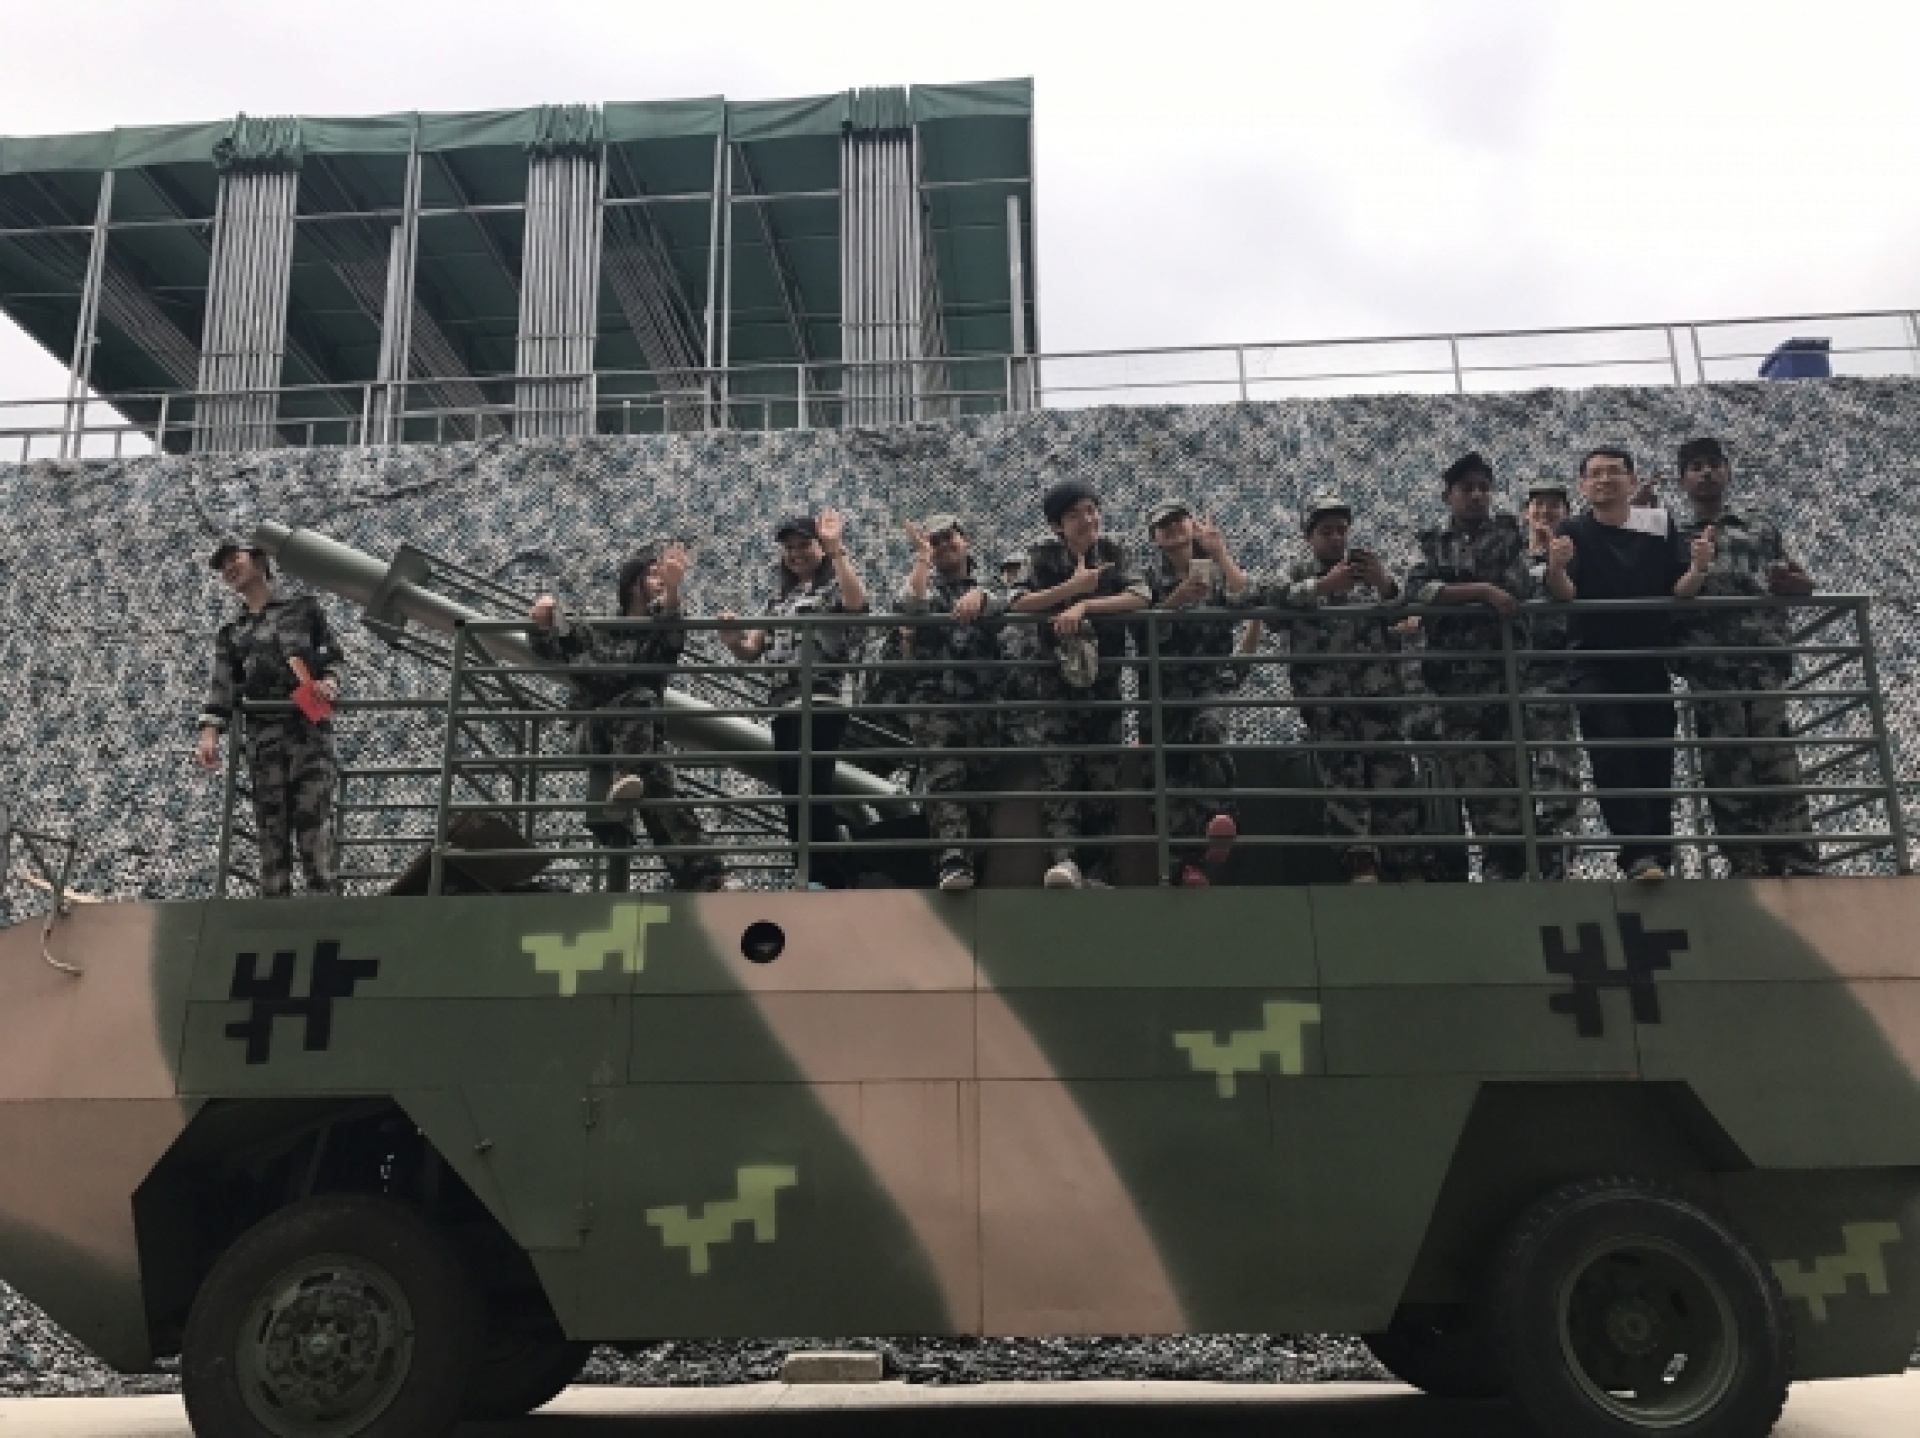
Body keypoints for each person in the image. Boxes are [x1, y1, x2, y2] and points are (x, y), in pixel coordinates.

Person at [1545, 447, 1713, 882]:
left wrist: (1698, 568)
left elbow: (1679, 588)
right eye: (1595, 474)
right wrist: (1556, 568)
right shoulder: (1573, 530)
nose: (1604, 480)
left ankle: (1659, 851)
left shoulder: (1658, 524)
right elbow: (1566, 594)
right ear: (1583, 486)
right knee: (1612, 746)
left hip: (1647, 657)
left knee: (1656, 751)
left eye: (1613, 472)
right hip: (1593, 659)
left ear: (1632, 480)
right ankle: (1636, 851)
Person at [528, 543, 732, 893]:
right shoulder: (599, 630)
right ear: (631, 584)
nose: (659, 579)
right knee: (641, 701)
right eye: (652, 574)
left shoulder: (656, 634)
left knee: (660, 787)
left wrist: (674, 590)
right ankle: (627, 777)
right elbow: (551, 644)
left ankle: (705, 878)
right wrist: (543, 613)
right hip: (594, 731)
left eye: (661, 575)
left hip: (638, 741)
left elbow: (672, 633)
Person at [1671, 437, 1821, 876]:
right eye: (1696, 467)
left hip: (1761, 657)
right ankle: (1746, 861)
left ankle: (1794, 856)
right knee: (1726, 765)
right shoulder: (1674, 538)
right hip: (1709, 664)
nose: (1706, 473)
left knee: (1776, 759)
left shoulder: (1760, 528)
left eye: (1713, 464)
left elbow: (1795, 579)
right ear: (1682, 480)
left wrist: (1799, 585)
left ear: (1728, 471)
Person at [1008, 479, 1149, 889]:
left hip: (1104, 685)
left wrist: (1085, 604)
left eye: (1091, 510)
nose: (1087, 520)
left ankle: (1100, 873)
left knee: (1104, 776)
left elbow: (1141, 596)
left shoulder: (1113, 551)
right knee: (1060, 773)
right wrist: (1072, 589)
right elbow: (1017, 602)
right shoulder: (1041, 555)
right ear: (1057, 526)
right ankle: (1065, 861)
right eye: (1075, 514)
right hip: (1056, 686)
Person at [1274, 494, 1423, 884]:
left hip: (1378, 699)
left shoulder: (1369, 574)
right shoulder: (1296, 572)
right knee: (1344, 781)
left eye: (1341, 530)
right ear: (1309, 537)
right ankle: (1361, 863)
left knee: (1394, 778)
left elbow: (1406, 615)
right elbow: (1270, 604)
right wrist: (1323, 586)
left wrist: (1384, 584)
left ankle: (1404, 862)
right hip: (1328, 704)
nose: (1336, 538)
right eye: (1326, 531)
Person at [717, 511, 868, 890]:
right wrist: (733, 639)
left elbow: (856, 604)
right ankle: (808, 870)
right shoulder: (778, 599)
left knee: (812, 785)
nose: (796, 553)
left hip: (822, 700)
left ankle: (826, 875)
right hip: (784, 705)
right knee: (792, 790)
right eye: (789, 548)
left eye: (804, 545)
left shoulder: (833, 585)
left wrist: (836, 550)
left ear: (819, 547)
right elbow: (752, 649)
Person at [1406, 453, 1532, 880]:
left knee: (1512, 779)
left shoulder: (1508, 536)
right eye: (1466, 489)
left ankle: (1507, 869)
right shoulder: (1433, 543)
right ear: (1448, 496)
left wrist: (1458, 593)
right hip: (1452, 687)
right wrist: (1482, 591)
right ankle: (1496, 864)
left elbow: (1517, 589)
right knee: (1474, 778)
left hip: (1503, 681)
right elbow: (1418, 590)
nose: (1477, 496)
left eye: (1483, 488)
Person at [194, 538, 342, 897]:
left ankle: (327, 915)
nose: (229, 568)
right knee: (272, 841)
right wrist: (210, 732)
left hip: (309, 734)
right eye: (223, 566)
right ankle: (275, 919)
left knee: (315, 831)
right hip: (264, 744)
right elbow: (223, 686)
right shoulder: (232, 633)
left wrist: (329, 682)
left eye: (235, 558)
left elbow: (332, 655)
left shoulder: (303, 609)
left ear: (260, 561)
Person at [895, 513, 1006, 892]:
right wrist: (921, 559)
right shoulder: (924, 584)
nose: (943, 545)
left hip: (983, 705)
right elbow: (911, 606)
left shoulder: (990, 585)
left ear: (965, 539)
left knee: (981, 788)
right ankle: (953, 859)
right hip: (935, 703)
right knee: (945, 780)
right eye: (935, 540)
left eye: (949, 537)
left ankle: (978, 869)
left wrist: (981, 597)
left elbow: (1009, 603)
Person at [1141, 499, 1246, 886]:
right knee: (1167, 774)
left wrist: (1220, 552)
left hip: (1208, 683)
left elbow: (1247, 598)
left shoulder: (1215, 572)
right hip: (1163, 690)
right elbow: (1141, 630)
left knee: (1210, 732)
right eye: (1163, 525)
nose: (1172, 529)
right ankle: (1183, 865)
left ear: (1192, 526)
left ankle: (1218, 823)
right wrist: (1176, 600)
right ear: (1154, 538)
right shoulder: (1147, 579)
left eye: (1178, 521)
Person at [1521, 480, 1586, 878]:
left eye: (1554, 506)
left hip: (1553, 675)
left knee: (1555, 765)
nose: (1545, 512)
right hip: (1508, 676)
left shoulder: (1575, 554)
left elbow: (1570, 596)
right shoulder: (1508, 557)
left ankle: (1560, 857)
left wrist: (1555, 562)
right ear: (1526, 512)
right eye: (1538, 505)